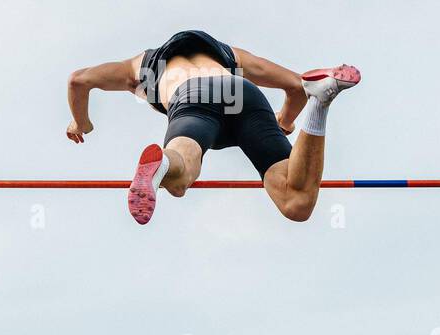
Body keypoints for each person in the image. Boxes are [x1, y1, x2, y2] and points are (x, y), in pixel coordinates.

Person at [66, 29, 359, 224]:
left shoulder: (139, 66)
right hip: (243, 95)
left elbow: (79, 80)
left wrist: (82, 123)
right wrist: (283, 121)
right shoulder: (230, 55)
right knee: (296, 203)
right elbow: (297, 86)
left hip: (193, 98)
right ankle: (322, 101)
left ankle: (163, 165)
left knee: (181, 174)